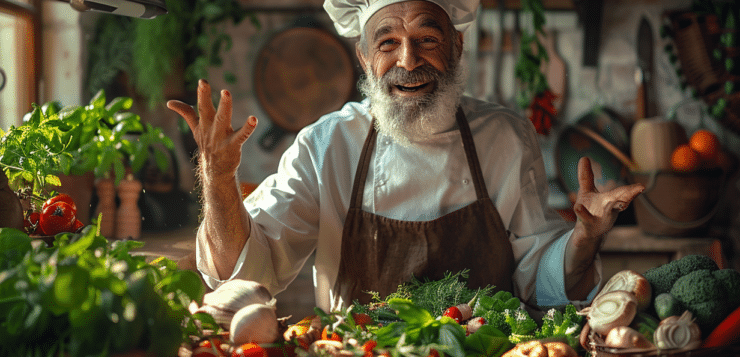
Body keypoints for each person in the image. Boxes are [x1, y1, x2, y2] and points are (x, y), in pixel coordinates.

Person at [167, 0, 644, 313]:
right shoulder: (326, 146)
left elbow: (538, 278)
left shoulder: (504, 137)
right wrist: (218, 180)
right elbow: (245, 270)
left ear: (456, 45)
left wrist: (583, 237)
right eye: (388, 42)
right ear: (363, 57)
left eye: (427, 39)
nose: (408, 60)